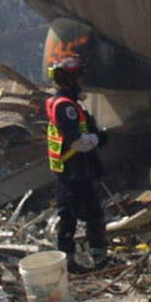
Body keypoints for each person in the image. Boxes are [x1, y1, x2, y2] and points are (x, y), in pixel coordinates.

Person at [45, 56, 110, 273]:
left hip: (72, 168)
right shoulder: (66, 107)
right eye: (80, 76)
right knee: (75, 216)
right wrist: (98, 139)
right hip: (74, 169)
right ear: (71, 79)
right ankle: (75, 259)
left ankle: (89, 255)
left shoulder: (66, 103)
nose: (83, 81)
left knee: (85, 213)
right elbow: (77, 141)